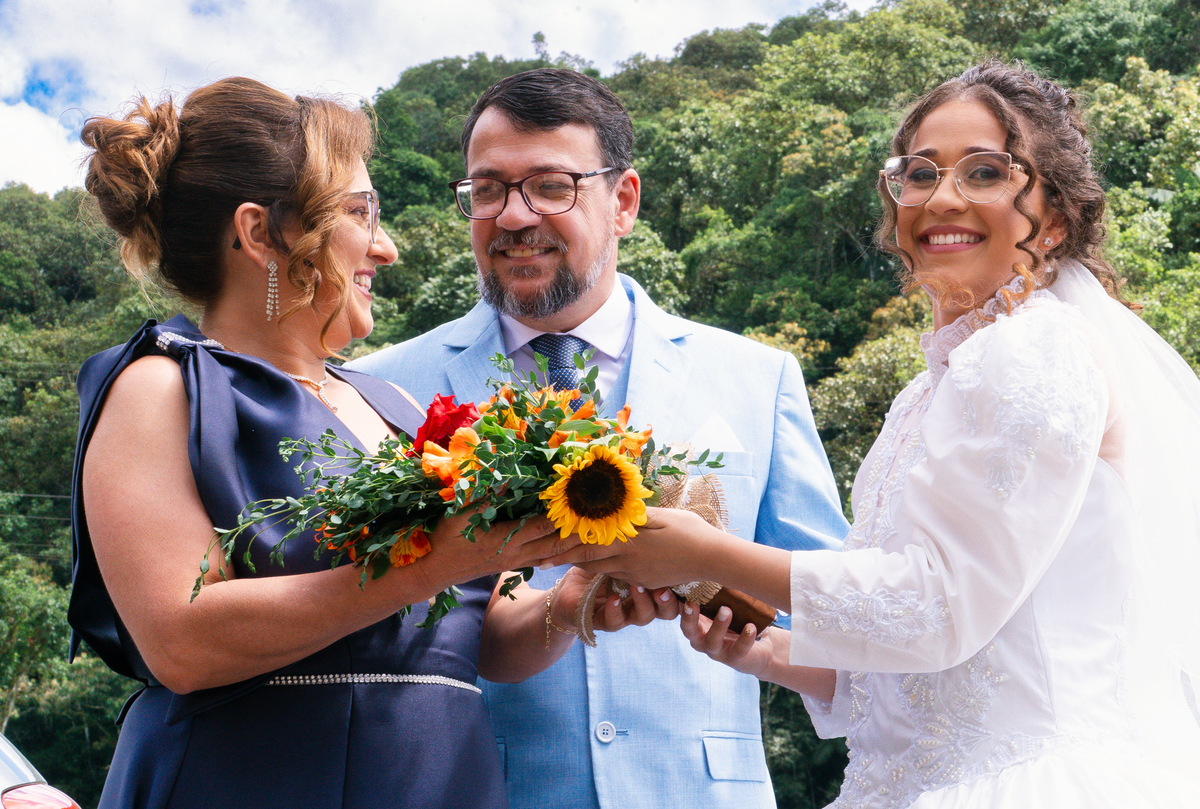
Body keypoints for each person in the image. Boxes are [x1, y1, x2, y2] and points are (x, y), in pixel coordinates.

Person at [561, 60, 1200, 808]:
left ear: (1054, 217)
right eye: (920, 174)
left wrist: (705, 554)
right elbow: (926, 673)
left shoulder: (1032, 348)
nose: (943, 197)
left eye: (986, 172)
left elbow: (938, 606)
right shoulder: (926, 393)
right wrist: (769, 653)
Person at [68, 77, 623, 809]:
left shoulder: (397, 408)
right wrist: (436, 562)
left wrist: (579, 595)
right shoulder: (160, 387)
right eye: (360, 214)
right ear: (261, 234)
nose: (385, 248)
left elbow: (484, 634)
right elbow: (181, 641)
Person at [348, 67, 849, 809]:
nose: (513, 216)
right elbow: (371, 630)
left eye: (551, 186)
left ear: (624, 202)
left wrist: (753, 642)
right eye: (488, 190)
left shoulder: (757, 376)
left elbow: (846, 620)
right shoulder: (378, 387)